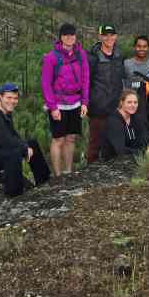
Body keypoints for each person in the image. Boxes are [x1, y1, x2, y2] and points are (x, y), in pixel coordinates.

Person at [0, 83, 50, 197]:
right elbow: (7, 141)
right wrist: (24, 149)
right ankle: (15, 195)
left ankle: (44, 182)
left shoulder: (4, 113)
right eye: (9, 98)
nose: (12, 101)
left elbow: (13, 136)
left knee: (32, 143)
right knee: (13, 153)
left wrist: (26, 146)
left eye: (15, 98)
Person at [40, 23, 90, 181]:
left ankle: (68, 172)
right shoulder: (51, 57)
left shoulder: (81, 55)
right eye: (66, 35)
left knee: (71, 138)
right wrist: (53, 107)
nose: (70, 37)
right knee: (58, 139)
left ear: (75, 36)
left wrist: (85, 102)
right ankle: (57, 176)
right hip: (58, 104)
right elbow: (46, 84)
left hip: (75, 103)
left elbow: (85, 78)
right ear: (61, 37)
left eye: (72, 35)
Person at [86, 24, 125, 163]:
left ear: (116, 36)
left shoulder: (119, 56)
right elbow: (86, 82)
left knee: (113, 144)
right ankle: (90, 171)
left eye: (112, 35)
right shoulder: (92, 57)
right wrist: (87, 103)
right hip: (98, 108)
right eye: (105, 35)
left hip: (115, 108)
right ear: (100, 36)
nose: (109, 38)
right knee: (95, 145)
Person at [100, 89, 147, 160]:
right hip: (112, 161)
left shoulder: (136, 118)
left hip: (133, 158)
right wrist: (143, 153)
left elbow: (143, 139)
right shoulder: (114, 121)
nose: (133, 105)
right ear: (121, 103)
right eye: (129, 102)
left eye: (135, 102)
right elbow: (120, 150)